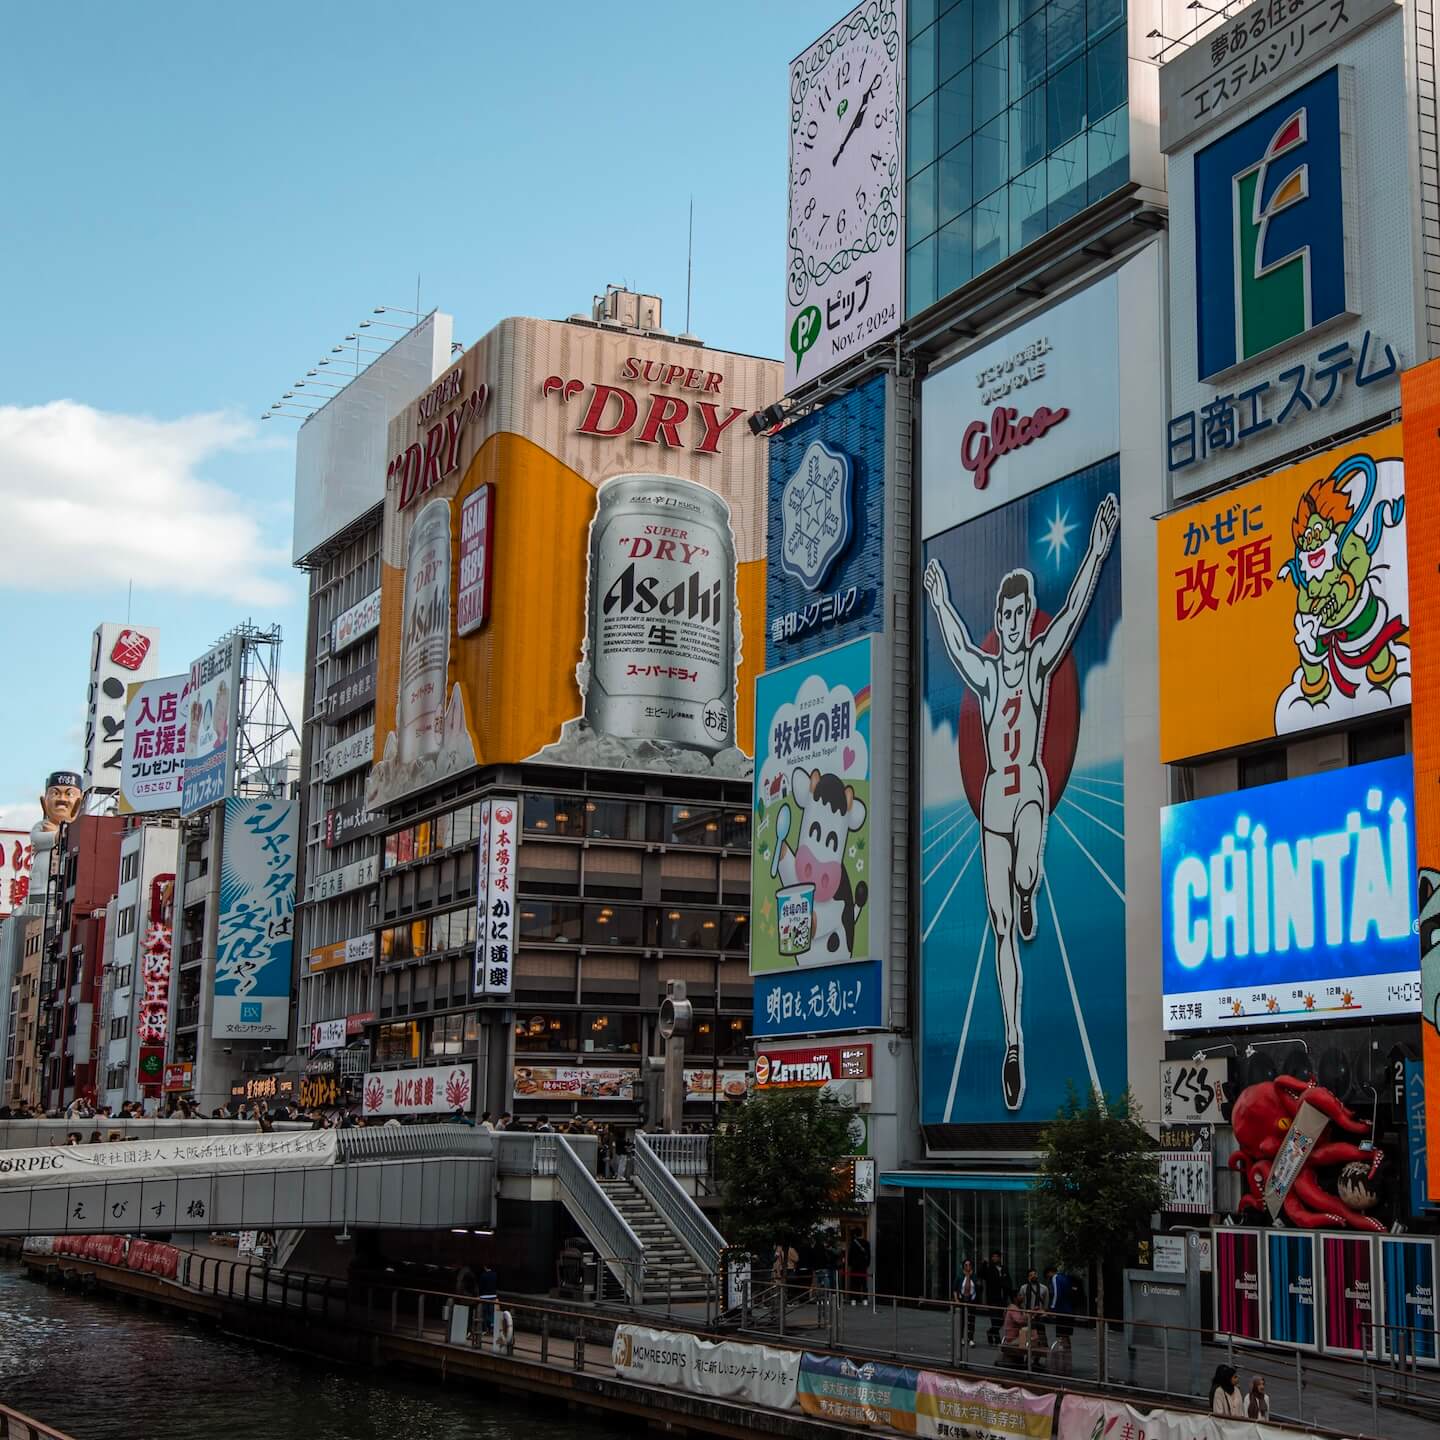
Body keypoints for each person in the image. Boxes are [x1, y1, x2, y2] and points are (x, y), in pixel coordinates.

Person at [924, 492, 1118, 1109]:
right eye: (1005, 616)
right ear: (1000, 618)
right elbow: (954, 644)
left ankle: (1030, 887)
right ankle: (1012, 1040)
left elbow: (1077, 610)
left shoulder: (1035, 665)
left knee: (1027, 869)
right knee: (1001, 927)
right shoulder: (985, 673)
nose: (1011, 624)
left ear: (1026, 614)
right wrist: (939, 598)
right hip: (992, 806)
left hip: (1029, 789)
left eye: (1018, 614)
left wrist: (1096, 547)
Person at [980, 1250, 1013, 1344]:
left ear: (999, 1258)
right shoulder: (989, 1269)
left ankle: (990, 1332)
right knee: (994, 1319)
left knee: (1002, 1320)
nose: (995, 1258)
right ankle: (997, 1339)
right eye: (993, 1256)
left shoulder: (1004, 1268)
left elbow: (1009, 1283)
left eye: (996, 1256)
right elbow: (981, 1275)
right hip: (992, 1299)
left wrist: (1011, 1297)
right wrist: (984, 1264)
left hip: (1003, 1299)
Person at [952, 1258, 979, 1347]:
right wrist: (956, 1300)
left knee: (971, 1320)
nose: (968, 1267)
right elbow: (955, 1289)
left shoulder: (974, 1276)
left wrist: (970, 1277)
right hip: (962, 1300)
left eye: (969, 1265)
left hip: (971, 1300)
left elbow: (977, 1287)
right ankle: (961, 1338)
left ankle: (970, 1339)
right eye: (966, 1265)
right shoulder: (960, 1276)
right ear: (963, 1266)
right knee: (962, 1321)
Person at [1046, 1263, 1073, 1338]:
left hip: (1061, 1311)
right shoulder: (1065, 1277)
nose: (1048, 1278)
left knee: (1061, 1335)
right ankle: (1067, 1349)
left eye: (1047, 1275)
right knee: (1066, 1335)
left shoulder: (1055, 1278)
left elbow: (1056, 1294)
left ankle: (1062, 1349)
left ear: (1050, 1272)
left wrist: (1052, 1308)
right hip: (1069, 1310)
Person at [846, 1232, 871, 1305]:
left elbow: (850, 1256)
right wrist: (866, 1265)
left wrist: (850, 1264)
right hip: (863, 1267)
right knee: (864, 1283)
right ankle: (865, 1300)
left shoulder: (853, 1243)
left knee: (854, 1283)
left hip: (855, 1266)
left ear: (855, 1235)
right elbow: (868, 1255)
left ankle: (853, 1299)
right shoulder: (866, 1243)